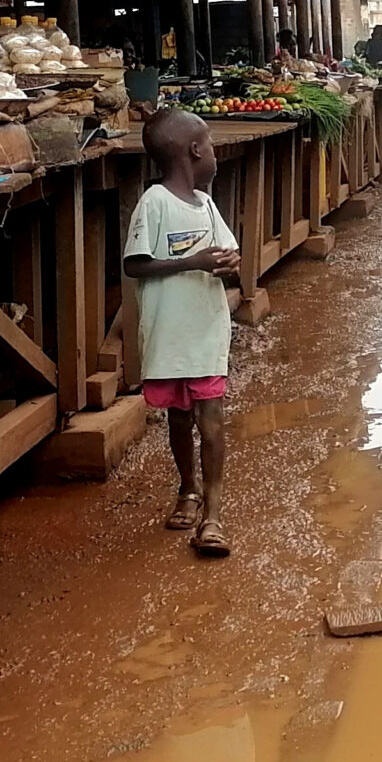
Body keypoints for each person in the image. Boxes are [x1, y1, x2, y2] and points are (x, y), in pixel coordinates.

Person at [124, 109, 243, 558]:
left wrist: (230, 264)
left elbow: (228, 252)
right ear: (195, 151)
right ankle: (188, 489)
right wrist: (191, 263)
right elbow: (134, 264)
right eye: (210, 144)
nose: (213, 152)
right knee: (178, 418)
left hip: (206, 330)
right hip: (169, 334)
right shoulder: (154, 202)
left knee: (211, 420)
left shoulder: (206, 204)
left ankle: (213, 516)